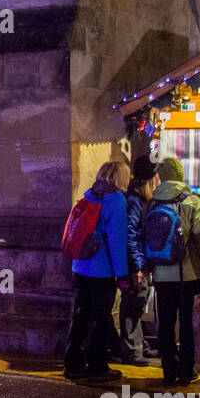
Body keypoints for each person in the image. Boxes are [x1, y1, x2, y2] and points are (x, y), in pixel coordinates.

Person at [143, 157, 200, 386]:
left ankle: (168, 368)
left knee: (164, 321)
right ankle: (186, 369)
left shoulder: (152, 203)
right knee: (185, 322)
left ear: (161, 177)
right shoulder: (191, 201)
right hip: (187, 274)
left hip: (162, 274)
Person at [63, 160, 130, 384]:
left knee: (81, 315)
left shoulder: (90, 195)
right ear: (121, 178)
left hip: (80, 266)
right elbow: (117, 241)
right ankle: (98, 365)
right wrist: (122, 275)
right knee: (100, 318)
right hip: (101, 270)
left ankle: (72, 361)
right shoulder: (116, 201)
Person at [118, 156, 158, 367]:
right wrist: (136, 267)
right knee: (132, 303)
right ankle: (132, 350)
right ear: (150, 180)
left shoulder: (135, 200)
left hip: (138, 260)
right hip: (134, 264)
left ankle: (138, 344)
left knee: (137, 303)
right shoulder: (133, 201)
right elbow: (131, 235)